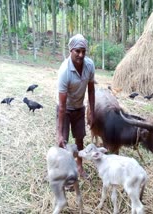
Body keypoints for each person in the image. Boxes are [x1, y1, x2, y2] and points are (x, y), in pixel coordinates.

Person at [56, 34, 95, 178]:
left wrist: (92, 111)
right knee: (63, 142)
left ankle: (79, 167)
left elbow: (91, 90)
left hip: (79, 107)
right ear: (70, 50)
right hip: (64, 108)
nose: (81, 54)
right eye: (77, 51)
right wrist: (59, 132)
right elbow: (61, 106)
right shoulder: (64, 71)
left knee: (80, 138)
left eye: (83, 51)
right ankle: (64, 173)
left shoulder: (89, 65)